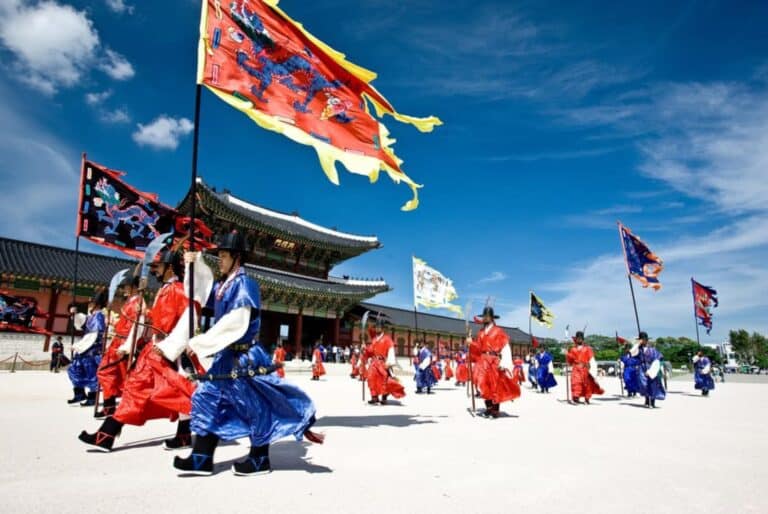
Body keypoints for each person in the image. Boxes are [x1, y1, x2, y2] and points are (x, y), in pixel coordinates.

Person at [173, 232, 323, 476]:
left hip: (244, 357)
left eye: (223, 255)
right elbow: (199, 294)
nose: (219, 260)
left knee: (254, 407)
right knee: (206, 398)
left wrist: (202, 342)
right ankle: (201, 457)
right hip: (225, 357)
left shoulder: (245, 284)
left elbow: (236, 321)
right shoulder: (224, 286)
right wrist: (194, 265)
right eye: (219, 255)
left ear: (237, 257)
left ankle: (259, 458)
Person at [78, 248, 196, 452]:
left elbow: (188, 319)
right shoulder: (166, 289)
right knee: (144, 389)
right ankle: (107, 434)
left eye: (157, 266)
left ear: (169, 267)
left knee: (161, 389)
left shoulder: (179, 289)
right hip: (154, 348)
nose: (154, 271)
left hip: (164, 349)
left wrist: (170, 347)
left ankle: (106, 434)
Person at [95, 275, 143, 418]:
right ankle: (110, 405)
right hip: (117, 340)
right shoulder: (130, 302)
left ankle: (121, 406)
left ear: (134, 287)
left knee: (111, 374)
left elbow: (137, 327)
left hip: (124, 343)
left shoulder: (138, 303)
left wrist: (128, 346)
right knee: (107, 373)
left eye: (126, 287)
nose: (124, 290)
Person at [466, 307, 520, 418]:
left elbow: (505, 347)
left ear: (491, 318)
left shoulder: (498, 331)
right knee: (481, 384)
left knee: (494, 386)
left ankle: (495, 410)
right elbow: (479, 348)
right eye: (483, 316)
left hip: (493, 361)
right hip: (482, 361)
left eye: (487, 316)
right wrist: (471, 343)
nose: (484, 318)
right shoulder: (481, 332)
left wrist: (504, 363)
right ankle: (488, 407)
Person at [67, 294, 107, 406]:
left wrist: (79, 346)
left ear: (97, 305)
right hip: (85, 348)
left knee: (91, 373)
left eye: (91, 304)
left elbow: (94, 334)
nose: (89, 306)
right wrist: (74, 314)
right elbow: (80, 325)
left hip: (92, 348)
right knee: (75, 368)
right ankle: (79, 393)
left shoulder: (99, 316)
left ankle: (92, 397)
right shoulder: (91, 316)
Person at [363, 314, 405, 405]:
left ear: (382, 328)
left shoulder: (387, 339)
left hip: (383, 362)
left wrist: (389, 362)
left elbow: (391, 351)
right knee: (371, 378)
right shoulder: (374, 339)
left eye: (379, 327)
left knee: (384, 379)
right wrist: (365, 348)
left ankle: (384, 397)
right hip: (374, 363)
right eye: (376, 327)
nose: (377, 329)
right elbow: (370, 351)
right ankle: (374, 397)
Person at [565, 331, 603, 404]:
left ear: (583, 339)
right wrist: (567, 355)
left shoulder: (587, 349)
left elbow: (592, 359)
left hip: (584, 368)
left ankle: (587, 398)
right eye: (577, 338)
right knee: (575, 382)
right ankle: (575, 397)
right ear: (576, 339)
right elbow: (570, 361)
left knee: (586, 384)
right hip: (576, 368)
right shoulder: (573, 349)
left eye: (580, 338)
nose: (579, 340)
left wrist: (593, 370)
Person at [631, 332, 666, 408]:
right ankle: (647, 399)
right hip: (642, 368)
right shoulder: (638, 349)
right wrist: (637, 344)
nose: (642, 341)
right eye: (640, 340)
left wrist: (651, 371)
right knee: (643, 384)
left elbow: (657, 360)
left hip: (651, 367)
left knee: (653, 384)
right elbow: (632, 352)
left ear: (646, 340)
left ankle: (652, 402)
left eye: (643, 340)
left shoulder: (652, 350)